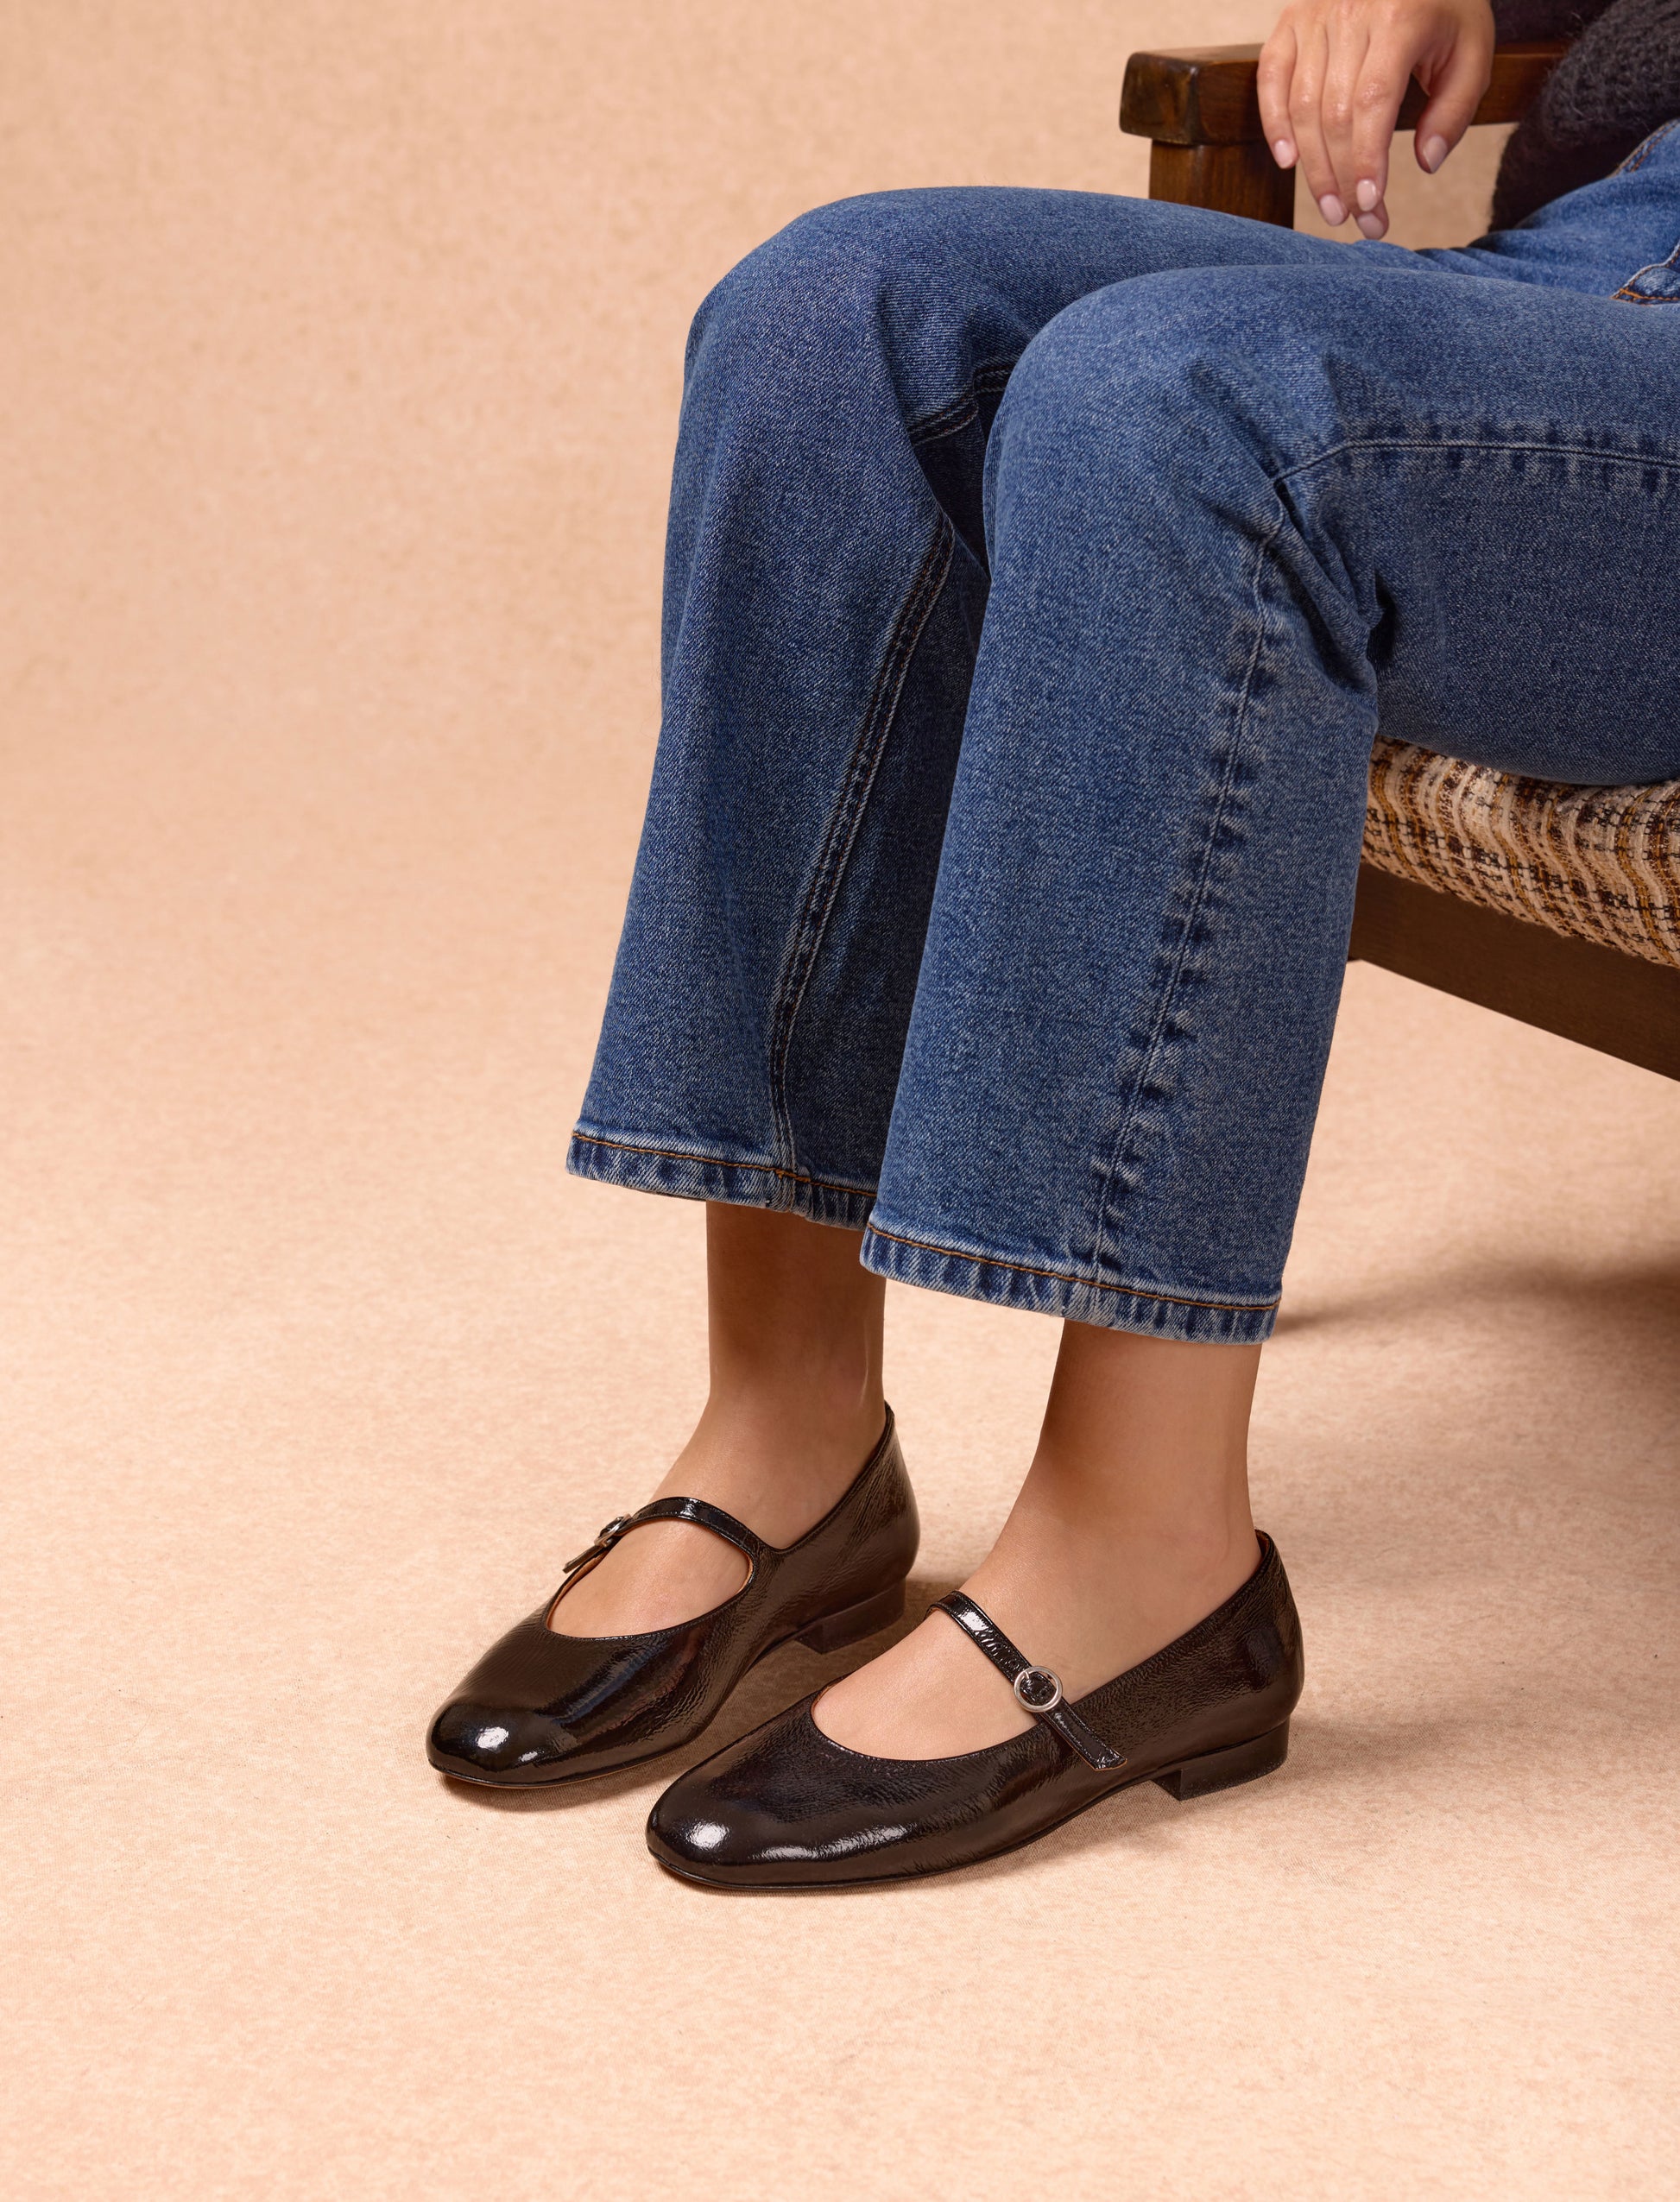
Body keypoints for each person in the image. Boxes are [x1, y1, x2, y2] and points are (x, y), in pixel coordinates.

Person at [427, 0, 1680, 1887]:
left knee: (1179, 396)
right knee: (830, 312)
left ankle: (1146, 1553)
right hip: (1590, 268)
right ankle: (788, 1439)